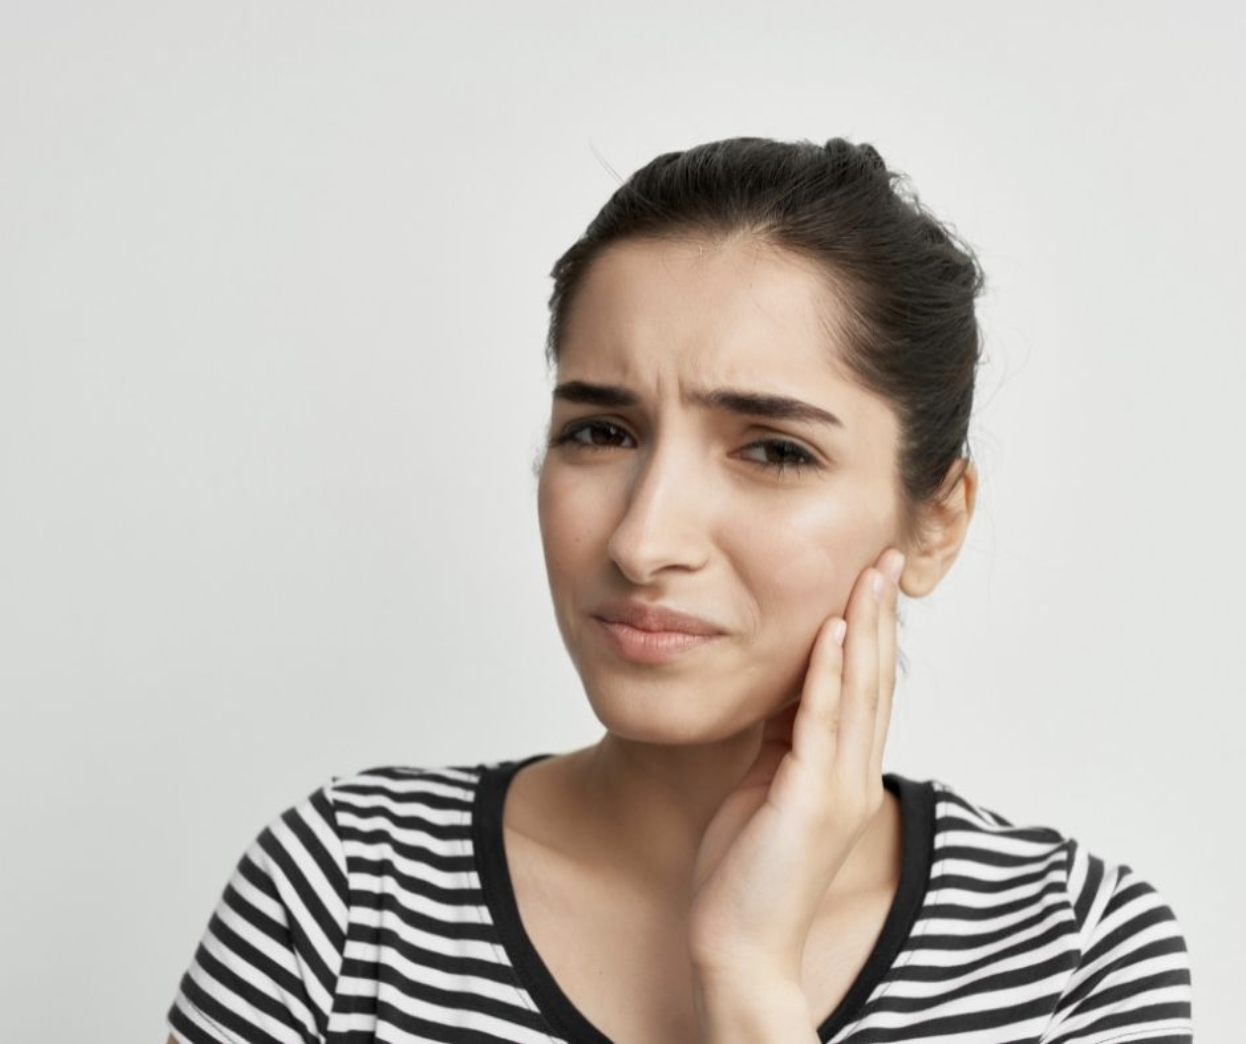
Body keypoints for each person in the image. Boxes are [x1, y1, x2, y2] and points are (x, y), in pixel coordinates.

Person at [165, 136, 1194, 1043]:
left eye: (774, 451)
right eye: (600, 432)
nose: (643, 539)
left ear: (936, 523)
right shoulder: (346, 896)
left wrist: (746, 982)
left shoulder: (1072, 952)